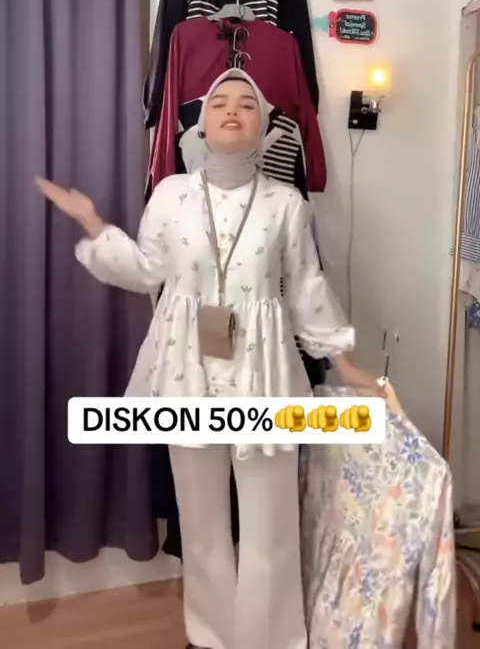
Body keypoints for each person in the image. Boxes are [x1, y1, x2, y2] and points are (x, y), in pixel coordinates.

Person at [36, 68, 383, 649]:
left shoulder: (287, 203)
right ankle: (211, 636)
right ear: (200, 122)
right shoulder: (171, 194)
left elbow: (306, 288)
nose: (231, 109)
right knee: (200, 523)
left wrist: (345, 363)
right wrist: (94, 225)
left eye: (246, 103)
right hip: (185, 371)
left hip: (264, 373)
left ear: (264, 124)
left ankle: (271, 640)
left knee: (271, 524)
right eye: (219, 101)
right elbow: (145, 270)